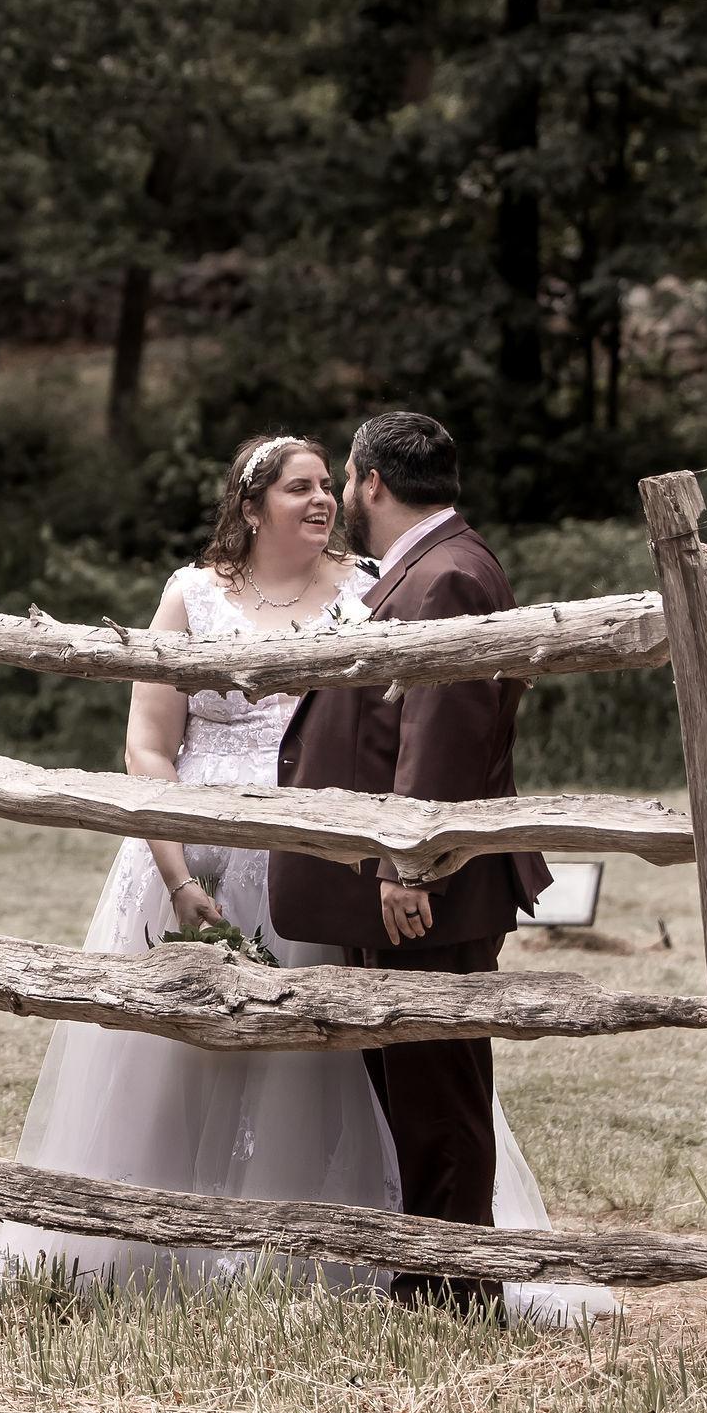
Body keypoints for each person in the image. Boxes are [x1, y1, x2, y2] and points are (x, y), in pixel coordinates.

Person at [0, 432, 392, 1294]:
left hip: (315, 852)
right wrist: (180, 878)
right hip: (193, 856)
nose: (322, 500)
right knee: (176, 1049)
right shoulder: (193, 595)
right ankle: (153, 1236)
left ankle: (304, 1244)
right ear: (252, 506)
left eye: (326, 485)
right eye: (298, 487)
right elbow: (148, 747)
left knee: (311, 1047)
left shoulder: (366, 590)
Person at [269, 409, 578, 1317]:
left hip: (429, 887)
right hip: (409, 882)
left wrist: (410, 864)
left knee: (439, 1087)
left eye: (345, 478)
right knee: (413, 1081)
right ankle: (430, 1273)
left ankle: (455, 1287)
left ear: (370, 481)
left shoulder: (447, 575)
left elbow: (443, 731)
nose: (342, 494)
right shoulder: (435, 564)